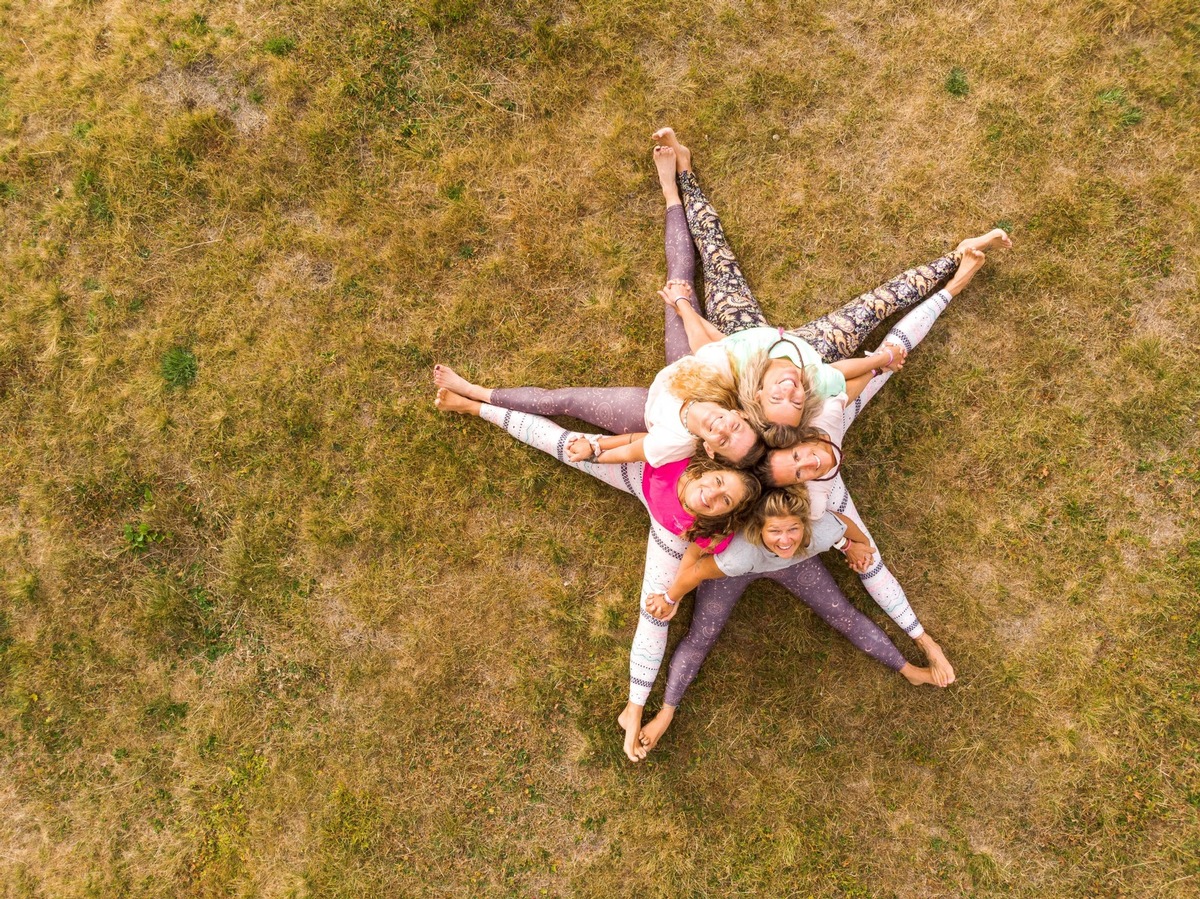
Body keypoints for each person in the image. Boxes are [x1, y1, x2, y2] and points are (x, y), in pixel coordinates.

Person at [434, 388, 759, 761]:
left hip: (666, 529)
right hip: (642, 474)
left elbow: (694, 561)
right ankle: (476, 407)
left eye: (725, 502)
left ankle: (633, 709)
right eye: (718, 484)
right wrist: (597, 449)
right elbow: (639, 442)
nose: (713, 496)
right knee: (562, 444)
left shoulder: (706, 526)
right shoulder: (679, 456)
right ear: (712, 468)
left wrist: (672, 597)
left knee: (654, 615)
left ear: (725, 515)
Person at [651, 126, 1011, 438]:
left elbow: (704, 346)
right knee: (878, 303)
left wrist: (683, 305)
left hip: (741, 331)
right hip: (813, 346)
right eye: (796, 400)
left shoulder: (739, 366)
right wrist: (881, 359)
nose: (790, 389)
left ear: (758, 395)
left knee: (716, 258)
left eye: (779, 397)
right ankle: (957, 255)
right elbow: (841, 371)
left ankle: (684, 171)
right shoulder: (812, 383)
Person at [635, 488, 948, 752]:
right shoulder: (736, 557)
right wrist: (670, 598)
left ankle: (911, 671)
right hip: (735, 573)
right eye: (775, 531)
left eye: (792, 529)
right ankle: (666, 712)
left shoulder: (819, 531)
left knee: (843, 615)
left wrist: (855, 547)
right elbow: (696, 570)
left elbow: (847, 526)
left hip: (797, 566)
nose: (785, 541)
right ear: (759, 528)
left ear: (804, 526)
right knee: (701, 637)